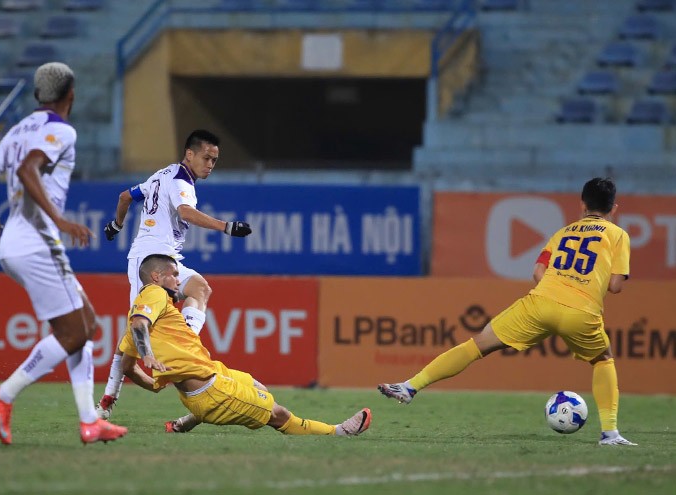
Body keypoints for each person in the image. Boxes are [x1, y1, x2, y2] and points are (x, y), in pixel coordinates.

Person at [378, 177, 636, 446]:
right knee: (602, 360)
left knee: (477, 344)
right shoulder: (618, 235)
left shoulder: (563, 233)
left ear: (582, 204)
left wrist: (558, 287)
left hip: (541, 301)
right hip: (581, 310)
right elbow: (616, 286)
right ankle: (610, 433)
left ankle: (410, 386)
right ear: (613, 208)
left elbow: (538, 271)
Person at [0, 62, 127, 445]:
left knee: (85, 325)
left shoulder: (16, 130)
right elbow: (27, 169)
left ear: (40, 94)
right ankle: (2, 395)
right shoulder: (61, 131)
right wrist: (62, 220)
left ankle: (90, 421)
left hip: (13, 245)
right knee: (78, 330)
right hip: (38, 242)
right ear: (71, 93)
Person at [119, 254, 372, 437]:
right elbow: (141, 324)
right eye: (173, 274)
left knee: (257, 386)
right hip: (209, 390)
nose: (177, 279)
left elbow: (127, 367)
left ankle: (187, 421)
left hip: (211, 372)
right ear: (156, 276)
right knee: (277, 414)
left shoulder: (147, 314)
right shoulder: (153, 293)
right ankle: (338, 432)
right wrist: (148, 355)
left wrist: (154, 384)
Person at [96, 129, 252, 420]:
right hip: (151, 260)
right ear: (189, 154)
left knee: (200, 289)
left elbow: (124, 197)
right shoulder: (182, 181)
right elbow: (186, 212)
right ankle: (105, 405)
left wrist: (116, 226)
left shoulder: (161, 175)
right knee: (134, 333)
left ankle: (184, 344)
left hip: (164, 257)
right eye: (206, 158)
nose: (210, 165)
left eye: (215, 160)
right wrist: (227, 227)